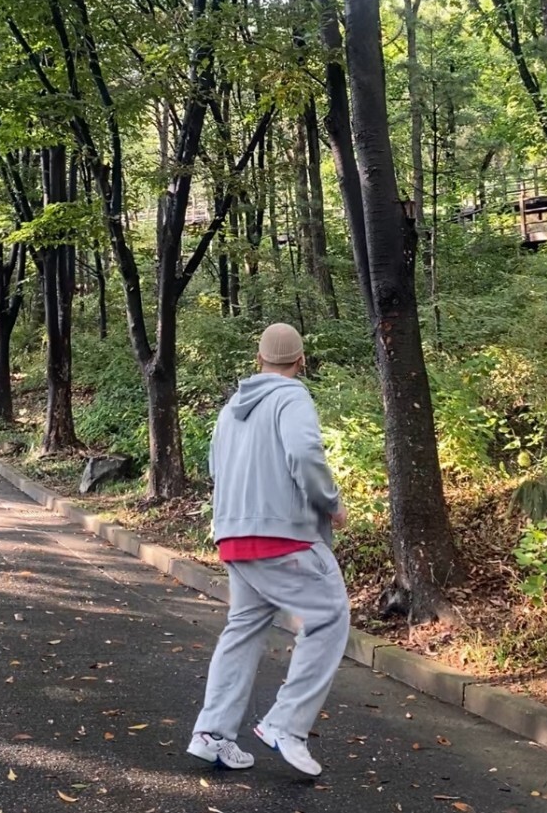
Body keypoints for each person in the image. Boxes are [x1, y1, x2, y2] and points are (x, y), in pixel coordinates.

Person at [187, 322, 350, 777]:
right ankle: (285, 724)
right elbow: (303, 453)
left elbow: (217, 470)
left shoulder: (228, 410)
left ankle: (213, 733)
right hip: (285, 535)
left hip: (234, 536)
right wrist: (331, 504)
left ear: (258, 360)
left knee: (243, 627)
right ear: (300, 361)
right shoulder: (291, 396)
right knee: (330, 616)